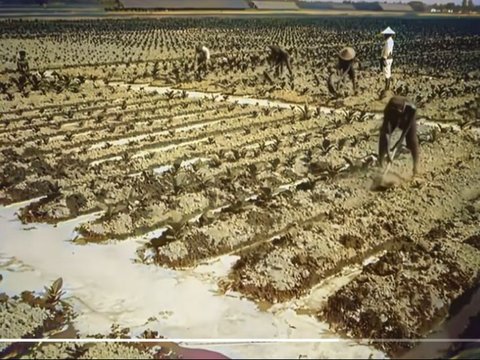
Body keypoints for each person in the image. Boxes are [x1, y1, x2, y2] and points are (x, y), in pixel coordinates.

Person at [378, 95, 419, 176]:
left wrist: (400, 139)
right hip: (393, 117)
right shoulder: (389, 112)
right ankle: (381, 163)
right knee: (383, 138)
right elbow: (386, 134)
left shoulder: (411, 109)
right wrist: (388, 152)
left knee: (412, 141)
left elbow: (408, 127)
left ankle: (415, 168)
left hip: (407, 118)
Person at [380, 27, 395, 92]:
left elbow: (387, 51)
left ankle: (387, 88)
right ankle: (387, 87)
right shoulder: (390, 41)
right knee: (388, 72)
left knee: (387, 73)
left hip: (387, 59)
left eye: (385, 34)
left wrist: (384, 58)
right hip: (389, 58)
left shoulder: (388, 42)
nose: (384, 36)